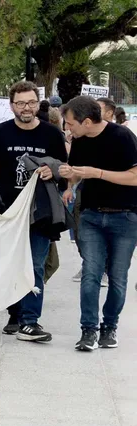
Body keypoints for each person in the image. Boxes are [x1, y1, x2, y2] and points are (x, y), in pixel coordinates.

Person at [0, 81, 66, 342]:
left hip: (39, 212)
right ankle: (14, 313)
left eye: (30, 102)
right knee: (8, 264)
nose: (26, 108)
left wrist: (55, 172)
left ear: (38, 103)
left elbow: (64, 169)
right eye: (20, 103)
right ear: (12, 105)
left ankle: (30, 321)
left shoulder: (52, 135)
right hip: (5, 212)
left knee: (35, 265)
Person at [60, 96, 137, 351]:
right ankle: (88, 329)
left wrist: (97, 173)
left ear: (88, 121)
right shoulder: (80, 142)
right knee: (91, 273)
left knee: (117, 278)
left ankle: (109, 326)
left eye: (70, 123)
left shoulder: (123, 137)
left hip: (124, 217)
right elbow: (77, 171)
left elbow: (134, 178)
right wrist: (71, 181)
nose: (68, 128)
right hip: (91, 216)